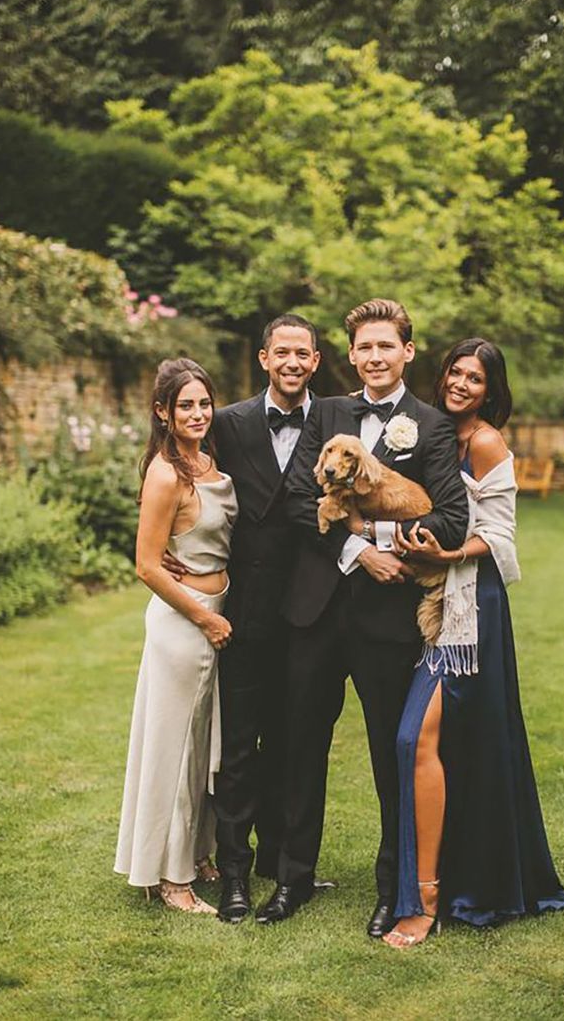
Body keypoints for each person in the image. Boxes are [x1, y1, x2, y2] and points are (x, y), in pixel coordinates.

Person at [255, 299, 469, 934]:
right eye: (364, 348)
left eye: (387, 346)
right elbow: (297, 496)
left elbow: (450, 518)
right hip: (316, 609)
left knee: (388, 752)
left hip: (386, 620)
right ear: (351, 356)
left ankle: (392, 887)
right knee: (300, 745)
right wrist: (352, 550)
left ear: (407, 352)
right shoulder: (325, 413)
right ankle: (292, 879)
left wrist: (378, 539)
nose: (375, 357)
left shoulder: (430, 427)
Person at [383, 338, 564, 948]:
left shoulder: (487, 441)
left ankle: (426, 900)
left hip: (471, 608)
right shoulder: (430, 431)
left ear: (490, 390)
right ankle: (444, 879)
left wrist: (445, 552)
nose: (461, 384)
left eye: (475, 378)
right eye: (455, 372)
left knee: (415, 736)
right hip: (426, 601)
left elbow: (500, 534)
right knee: (443, 742)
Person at [114, 358, 238, 913]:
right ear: (162, 412)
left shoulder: (211, 462)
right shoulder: (166, 473)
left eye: (203, 403)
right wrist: (205, 617)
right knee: (175, 746)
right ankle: (169, 878)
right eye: (184, 405)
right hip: (185, 624)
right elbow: (146, 565)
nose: (197, 413)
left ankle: (198, 853)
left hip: (219, 608)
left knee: (204, 745)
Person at [209, 315, 321, 922]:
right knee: (239, 747)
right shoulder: (228, 423)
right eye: (283, 352)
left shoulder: (333, 419)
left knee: (291, 743)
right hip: (246, 612)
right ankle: (234, 874)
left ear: (317, 360)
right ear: (264, 358)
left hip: (309, 611)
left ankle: (283, 865)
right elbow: (192, 483)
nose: (292, 362)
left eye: (302, 353)